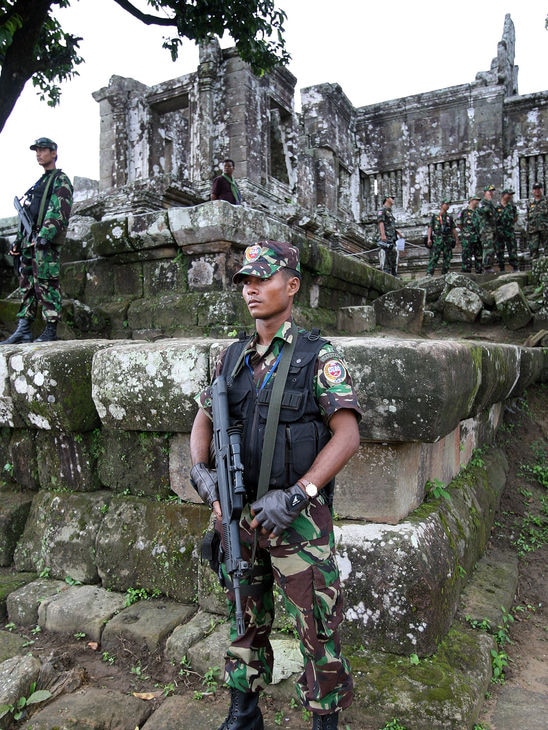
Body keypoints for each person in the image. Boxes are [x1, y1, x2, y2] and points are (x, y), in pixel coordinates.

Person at [189, 240, 362, 730]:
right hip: (241, 518)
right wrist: (202, 476)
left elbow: (347, 435)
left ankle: (324, 722)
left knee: (317, 629)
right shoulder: (232, 358)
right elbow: (204, 417)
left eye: (262, 278)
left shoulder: (317, 356)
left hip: (297, 522)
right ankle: (244, 713)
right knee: (244, 620)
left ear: (292, 285)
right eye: (245, 280)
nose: (251, 289)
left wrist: (298, 495)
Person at [1, 137, 73, 344]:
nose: (39, 154)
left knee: (47, 282)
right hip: (29, 242)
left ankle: (50, 329)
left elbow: (59, 209)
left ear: (54, 153)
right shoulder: (39, 183)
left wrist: (45, 236)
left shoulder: (60, 179)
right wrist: (18, 241)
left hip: (44, 242)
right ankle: (24, 329)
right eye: (37, 151)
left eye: (43, 150)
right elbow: (27, 217)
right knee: (27, 285)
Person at [425, 199, 459, 276]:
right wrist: (429, 239)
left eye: (448, 205)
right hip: (438, 239)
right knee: (434, 257)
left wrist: (457, 239)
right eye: (446, 204)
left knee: (447, 257)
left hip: (447, 239)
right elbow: (430, 227)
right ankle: (429, 273)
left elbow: (453, 229)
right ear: (442, 205)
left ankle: (445, 273)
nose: (447, 206)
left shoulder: (449, 217)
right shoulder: (435, 216)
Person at [495, 189, 519, 272]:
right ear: (503, 195)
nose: (510, 196)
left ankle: (515, 267)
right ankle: (501, 268)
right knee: (499, 251)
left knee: (512, 249)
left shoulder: (512, 207)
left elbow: (515, 218)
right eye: (508, 194)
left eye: (511, 195)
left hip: (509, 231)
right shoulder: (496, 207)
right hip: (499, 233)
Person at [458, 194, 483, 274]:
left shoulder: (479, 212)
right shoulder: (464, 212)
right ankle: (466, 272)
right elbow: (459, 224)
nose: (477, 202)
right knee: (466, 256)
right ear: (471, 201)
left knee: (479, 256)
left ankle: (479, 271)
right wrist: (466, 232)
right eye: (476, 200)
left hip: (478, 237)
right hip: (467, 238)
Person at [377, 195, 401, 276]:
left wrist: (397, 232)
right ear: (387, 199)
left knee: (392, 253)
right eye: (392, 198)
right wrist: (383, 235)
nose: (393, 200)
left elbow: (390, 225)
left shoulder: (390, 212)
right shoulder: (382, 210)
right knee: (391, 251)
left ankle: (390, 271)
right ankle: (390, 270)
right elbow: (381, 222)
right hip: (386, 236)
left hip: (392, 237)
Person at [477, 184, 498, 273]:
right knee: (487, 248)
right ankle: (486, 266)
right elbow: (483, 211)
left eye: (492, 192)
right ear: (485, 193)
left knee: (492, 248)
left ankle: (489, 265)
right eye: (489, 192)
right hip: (486, 231)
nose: (491, 194)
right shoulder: (483, 203)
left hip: (492, 230)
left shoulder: (490, 204)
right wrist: (488, 204)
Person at [526, 182, 548, 260]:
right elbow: (528, 216)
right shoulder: (530, 203)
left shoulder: (546, 201)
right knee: (533, 249)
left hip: (545, 229)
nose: (537, 191)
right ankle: (534, 268)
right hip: (533, 230)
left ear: (542, 189)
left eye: (539, 189)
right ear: (533, 191)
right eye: (535, 189)